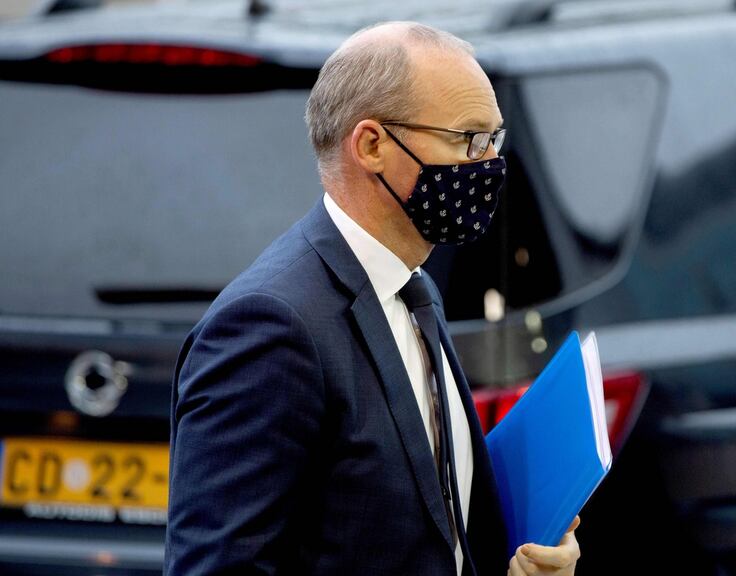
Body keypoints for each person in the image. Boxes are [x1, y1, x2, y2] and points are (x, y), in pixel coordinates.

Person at [164, 20, 581, 576]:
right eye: (468, 139)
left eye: (493, 140)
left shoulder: (414, 288)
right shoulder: (269, 327)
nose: (488, 164)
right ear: (372, 145)